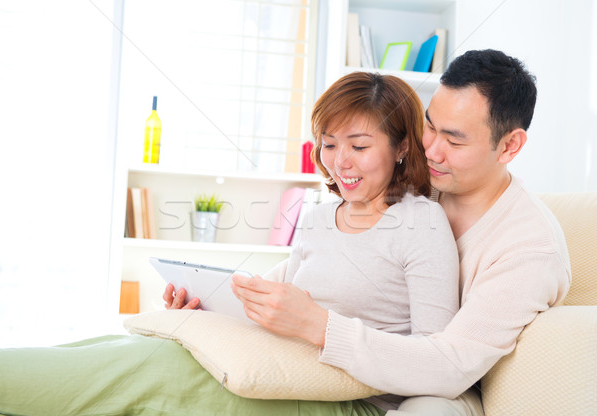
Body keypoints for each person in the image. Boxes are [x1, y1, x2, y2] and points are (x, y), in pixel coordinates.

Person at [224, 49, 571, 415]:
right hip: (352, 368)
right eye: (430, 126)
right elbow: (318, 264)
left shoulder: (530, 249)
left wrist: (319, 326)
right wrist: (232, 297)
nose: (432, 149)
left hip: (444, 388)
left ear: (509, 145)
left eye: (454, 141)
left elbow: (449, 367)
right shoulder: (414, 183)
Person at [165, 71, 461, 410]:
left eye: (359, 146)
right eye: (329, 144)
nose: (339, 161)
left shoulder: (421, 223)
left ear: (402, 147)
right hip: (284, 378)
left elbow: (435, 359)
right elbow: (282, 321)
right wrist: (203, 312)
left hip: (353, 400)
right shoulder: (315, 220)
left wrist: (320, 325)